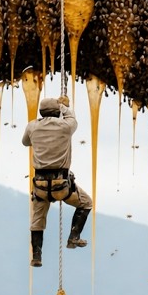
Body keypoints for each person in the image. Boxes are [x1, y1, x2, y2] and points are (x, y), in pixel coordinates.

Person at [21, 94, 93, 267]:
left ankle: (37, 256)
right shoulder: (65, 126)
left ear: (41, 112)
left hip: (40, 186)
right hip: (62, 185)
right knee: (86, 203)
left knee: (37, 220)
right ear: (57, 112)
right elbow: (72, 117)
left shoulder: (32, 126)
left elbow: (25, 143)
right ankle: (73, 237)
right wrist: (64, 106)